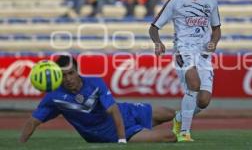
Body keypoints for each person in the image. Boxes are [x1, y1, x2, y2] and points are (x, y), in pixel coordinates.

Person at [19, 55, 177, 143]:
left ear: (78, 71)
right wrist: (20, 144)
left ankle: (184, 129)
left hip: (124, 112)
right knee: (169, 137)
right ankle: (148, 132)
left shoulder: (95, 82)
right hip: (108, 134)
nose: (68, 78)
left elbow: (113, 110)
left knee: (171, 113)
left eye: (71, 73)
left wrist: (122, 140)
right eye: (63, 75)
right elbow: (33, 121)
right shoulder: (54, 97)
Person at [149, 0, 221, 142]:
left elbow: (217, 28)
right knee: (193, 84)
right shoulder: (175, 1)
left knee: (203, 101)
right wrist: (158, 43)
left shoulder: (210, 0)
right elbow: (153, 28)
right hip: (183, 50)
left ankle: (179, 118)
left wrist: (213, 42)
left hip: (204, 54)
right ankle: (184, 133)